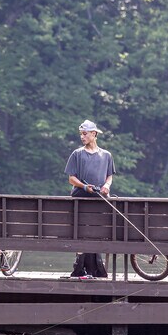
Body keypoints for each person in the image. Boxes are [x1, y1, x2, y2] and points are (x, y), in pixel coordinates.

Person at [64, 119, 115, 277]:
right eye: (81, 134)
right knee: (83, 231)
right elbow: (71, 179)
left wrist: (107, 186)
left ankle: (96, 267)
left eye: (85, 134)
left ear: (94, 134)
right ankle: (81, 267)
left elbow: (109, 177)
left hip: (99, 200)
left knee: (96, 232)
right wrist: (85, 187)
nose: (82, 137)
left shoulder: (106, 155)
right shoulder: (77, 154)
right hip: (81, 199)